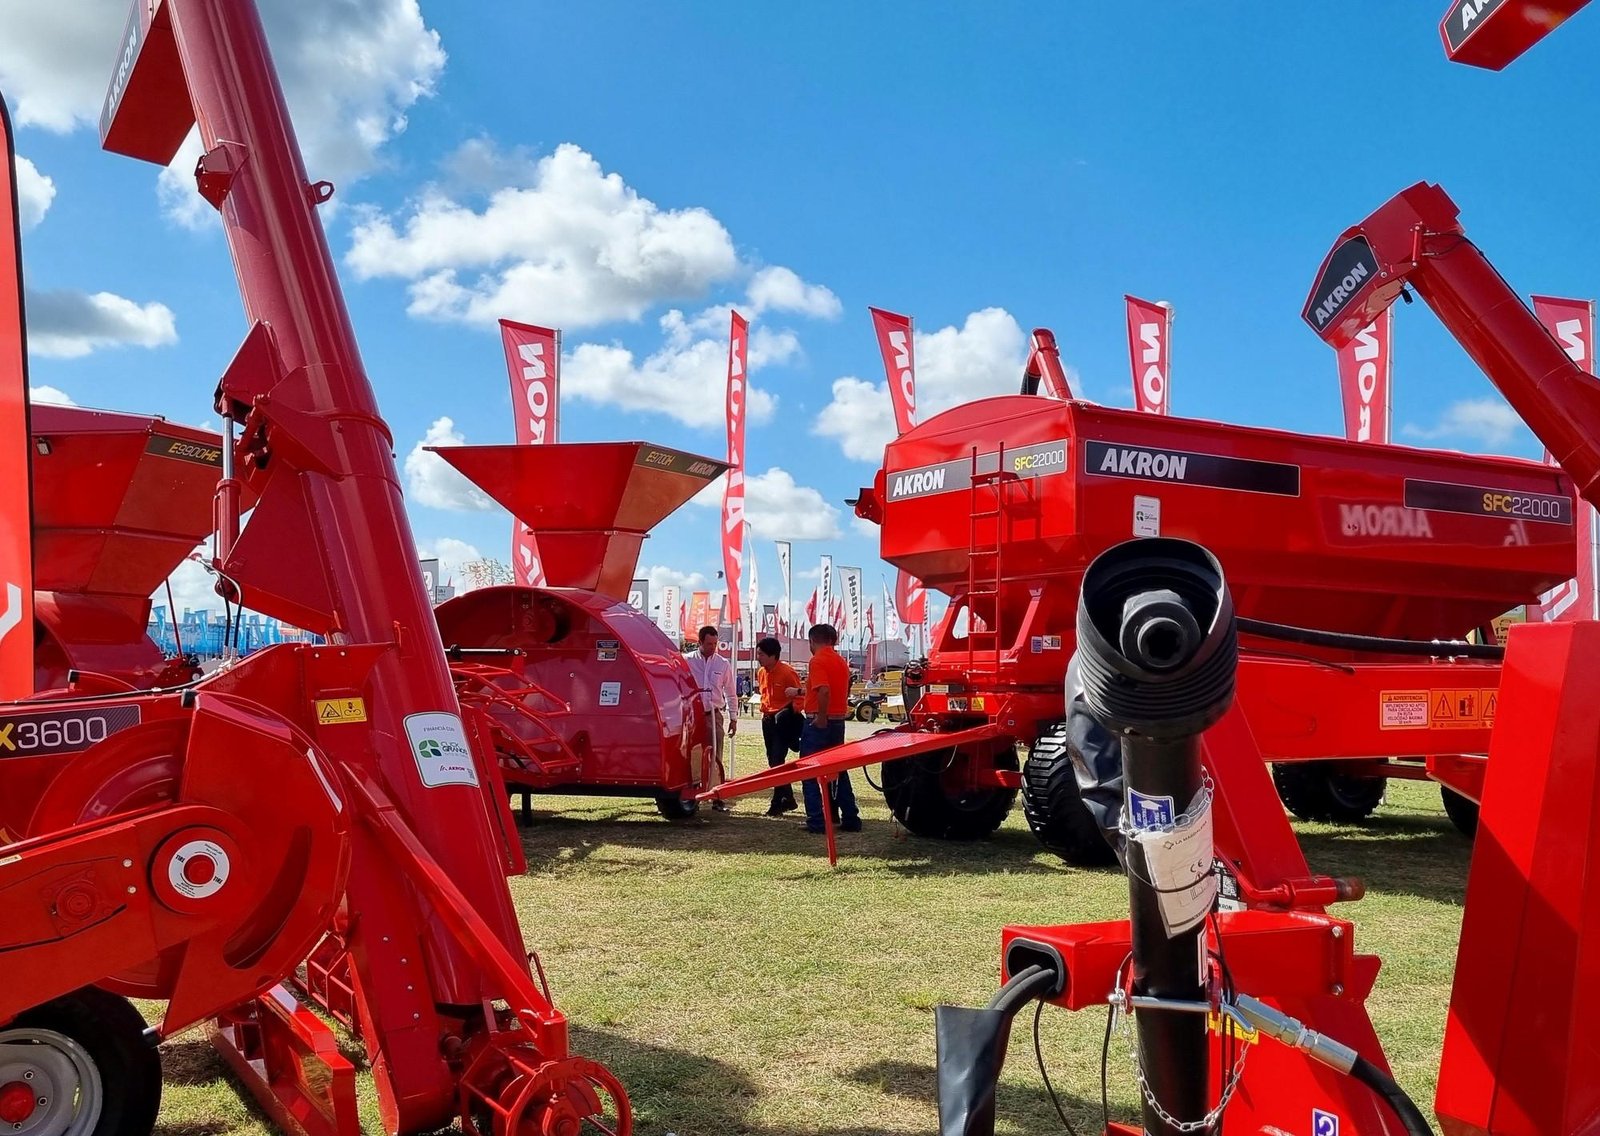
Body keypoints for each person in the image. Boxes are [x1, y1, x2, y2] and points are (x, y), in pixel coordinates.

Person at [798, 623, 861, 834]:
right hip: (838, 720)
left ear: (813, 641)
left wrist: (821, 717)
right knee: (839, 770)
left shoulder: (817, 661)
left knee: (809, 771)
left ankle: (816, 820)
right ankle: (851, 816)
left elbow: (823, 690)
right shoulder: (841, 661)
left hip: (819, 721)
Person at [685, 625, 737, 810]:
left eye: (715, 643)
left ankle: (717, 796)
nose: (713, 647)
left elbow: (731, 693)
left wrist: (733, 717)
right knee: (691, 755)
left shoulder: (722, 664)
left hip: (713, 716)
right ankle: (691, 794)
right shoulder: (687, 661)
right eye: (709, 643)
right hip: (691, 716)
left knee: (716, 754)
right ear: (699, 642)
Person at [754, 636, 803, 817]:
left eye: (761, 654)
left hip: (783, 720)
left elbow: (800, 698)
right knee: (773, 760)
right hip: (767, 719)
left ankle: (777, 802)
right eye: (758, 653)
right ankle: (788, 799)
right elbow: (764, 695)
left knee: (776, 761)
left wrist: (793, 714)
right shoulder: (761, 672)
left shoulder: (787, 672)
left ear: (773, 655)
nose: (758, 657)